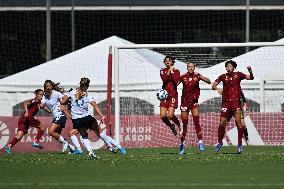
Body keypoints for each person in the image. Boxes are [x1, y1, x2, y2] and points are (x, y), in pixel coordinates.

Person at [61, 77, 126, 159]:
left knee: (84, 136)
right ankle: (119, 146)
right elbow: (95, 106)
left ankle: (91, 152)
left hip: (77, 120)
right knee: (100, 133)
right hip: (87, 118)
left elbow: (63, 101)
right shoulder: (88, 95)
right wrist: (102, 115)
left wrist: (69, 101)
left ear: (79, 84)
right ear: (87, 86)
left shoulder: (72, 92)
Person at [212, 60, 254, 154]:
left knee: (239, 123)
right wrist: (218, 88)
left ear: (234, 67)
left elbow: (251, 77)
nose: (228, 68)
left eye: (230, 66)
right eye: (227, 66)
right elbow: (213, 85)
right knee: (222, 122)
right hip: (226, 103)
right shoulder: (223, 76)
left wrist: (250, 71)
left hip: (236, 102)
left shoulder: (238, 75)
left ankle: (239, 145)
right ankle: (219, 142)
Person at [4, 89, 50, 155]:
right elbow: (25, 103)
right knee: (43, 127)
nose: (41, 96)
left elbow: (45, 108)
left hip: (22, 119)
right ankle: (35, 141)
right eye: (40, 94)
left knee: (19, 136)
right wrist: (27, 112)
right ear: (36, 94)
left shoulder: (39, 103)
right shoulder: (34, 100)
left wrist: (50, 111)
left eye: (42, 95)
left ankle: (9, 146)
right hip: (28, 117)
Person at [178, 63, 211, 155]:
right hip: (184, 102)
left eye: (192, 67)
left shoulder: (197, 76)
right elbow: (174, 85)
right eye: (189, 67)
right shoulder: (183, 77)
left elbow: (208, 81)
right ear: (187, 68)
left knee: (197, 122)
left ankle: (200, 142)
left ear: (194, 68)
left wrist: (202, 77)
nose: (191, 68)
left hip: (194, 103)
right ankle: (182, 144)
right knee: (185, 124)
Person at [41, 80, 75, 153]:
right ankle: (72, 148)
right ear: (45, 87)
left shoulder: (56, 93)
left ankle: (65, 143)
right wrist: (44, 108)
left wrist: (68, 109)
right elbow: (42, 105)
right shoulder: (44, 96)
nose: (48, 87)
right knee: (58, 136)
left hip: (60, 115)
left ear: (52, 86)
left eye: (49, 86)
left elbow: (65, 100)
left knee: (50, 132)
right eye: (46, 86)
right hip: (55, 116)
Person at [159, 55, 181, 136]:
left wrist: (172, 71)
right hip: (164, 96)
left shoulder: (176, 71)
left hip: (173, 95)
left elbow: (176, 81)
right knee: (162, 116)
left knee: (170, 115)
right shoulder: (162, 70)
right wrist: (169, 71)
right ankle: (171, 126)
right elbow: (164, 79)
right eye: (166, 61)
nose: (168, 62)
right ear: (164, 62)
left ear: (172, 62)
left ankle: (179, 124)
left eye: (169, 61)